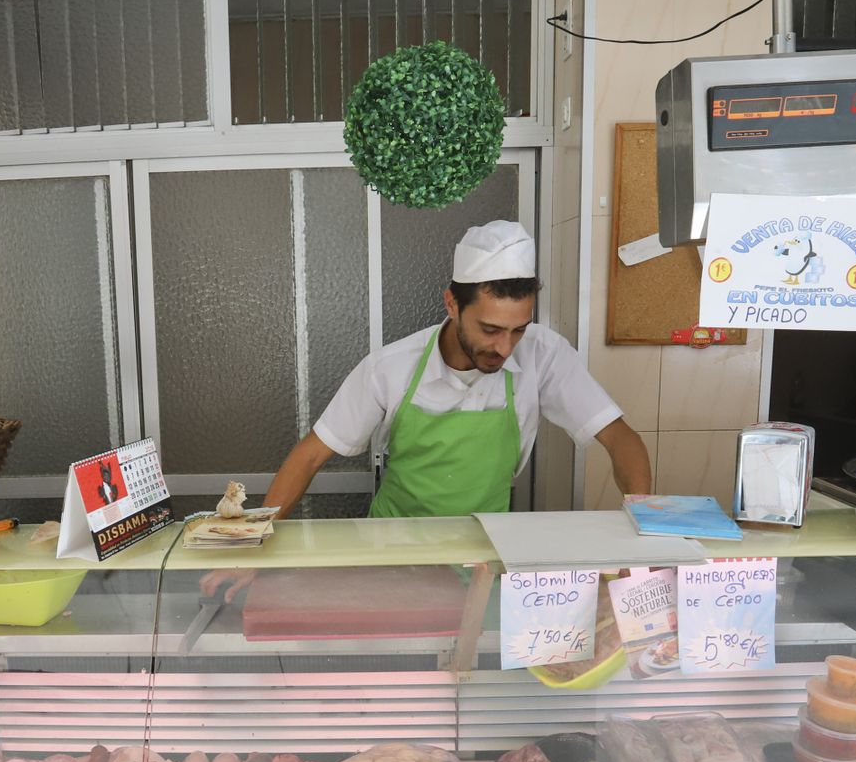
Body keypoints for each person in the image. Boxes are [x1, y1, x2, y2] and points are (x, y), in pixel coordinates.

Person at [203, 220, 651, 599]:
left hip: (484, 557)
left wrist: (644, 530)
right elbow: (311, 455)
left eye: (518, 330)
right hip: (392, 555)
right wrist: (253, 547)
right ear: (453, 303)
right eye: (491, 329)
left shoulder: (543, 355)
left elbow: (620, 439)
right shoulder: (391, 366)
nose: (504, 347)